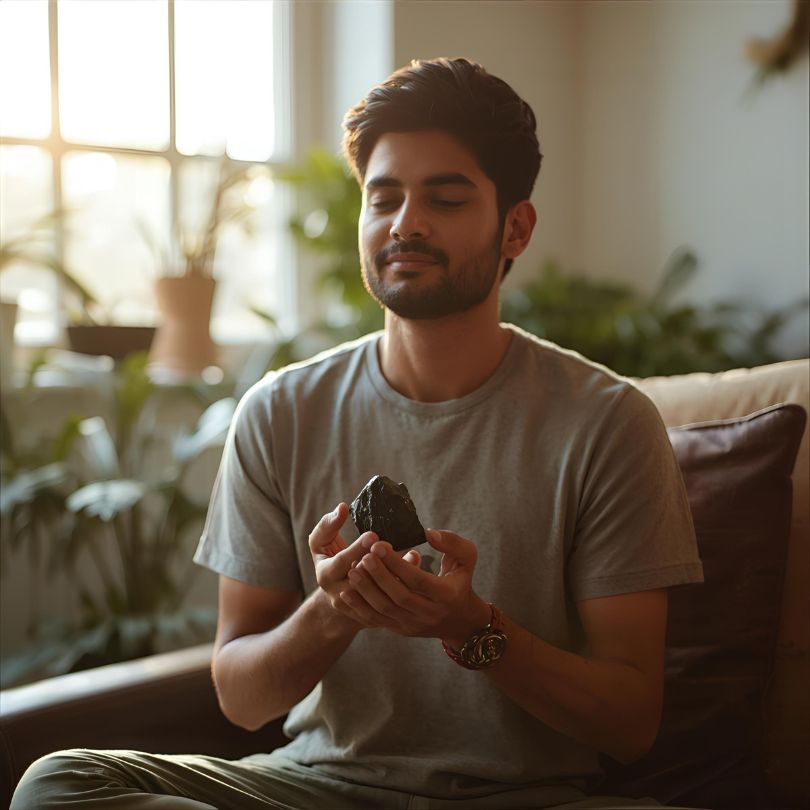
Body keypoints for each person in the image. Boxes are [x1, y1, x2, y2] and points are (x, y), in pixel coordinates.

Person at [12, 57, 703, 810]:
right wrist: (333, 610)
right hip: (317, 789)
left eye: (444, 197)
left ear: (515, 227)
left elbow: (631, 724)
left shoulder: (605, 421)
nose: (407, 222)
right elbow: (242, 700)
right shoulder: (280, 410)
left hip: (526, 795)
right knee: (61, 783)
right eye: (385, 199)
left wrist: (473, 627)